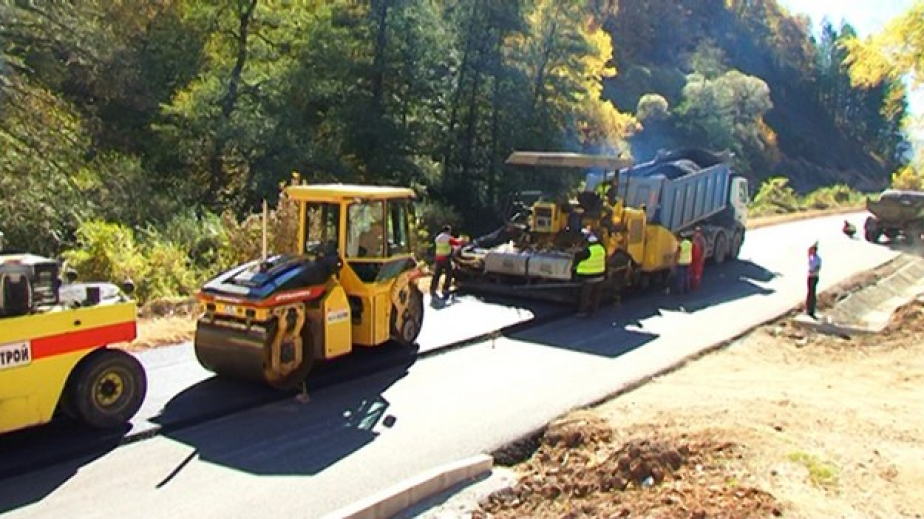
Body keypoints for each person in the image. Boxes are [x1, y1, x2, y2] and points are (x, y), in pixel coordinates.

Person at [573, 229, 607, 317]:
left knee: (585, 295)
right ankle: (594, 311)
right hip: (600, 276)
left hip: (589, 277)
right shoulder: (602, 248)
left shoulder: (588, 251)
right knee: (596, 296)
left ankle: (583, 312)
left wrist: (574, 268)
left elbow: (577, 258)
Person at [431, 225, 465, 298]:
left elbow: (448, 245)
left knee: (437, 274)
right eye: (450, 231)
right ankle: (445, 289)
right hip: (445, 258)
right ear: (448, 231)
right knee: (449, 274)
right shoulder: (448, 238)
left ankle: (432, 289)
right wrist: (461, 239)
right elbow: (457, 243)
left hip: (438, 258)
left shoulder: (438, 237)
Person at [806, 242, 822, 319]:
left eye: (813, 250)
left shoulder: (818, 259)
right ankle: (808, 309)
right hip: (810, 277)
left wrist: (812, 271)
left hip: (814, 277)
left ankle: (812, 310)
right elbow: (808, 250)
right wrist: (814, 244)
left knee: (812, 294)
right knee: (809, 293)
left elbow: (818, 268)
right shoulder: (811, 257)